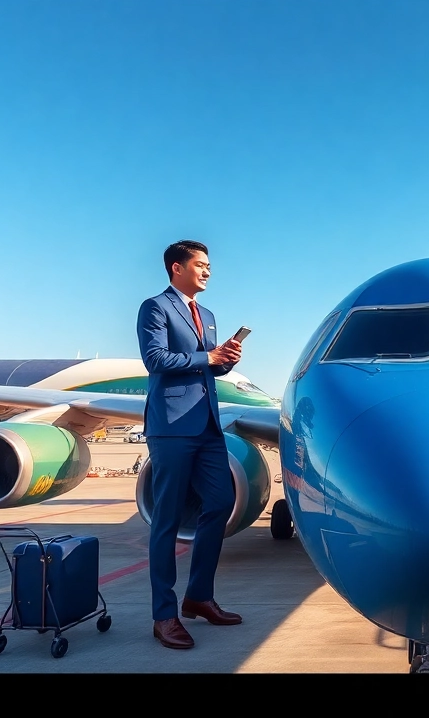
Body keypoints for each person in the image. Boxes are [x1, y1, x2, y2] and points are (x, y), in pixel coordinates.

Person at [137, 239, 245, 650]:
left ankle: (199, 596)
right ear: (176, 268)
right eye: (200, 265)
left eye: (209, 265)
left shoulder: (209, 315)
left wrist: (226, 359)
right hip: (172, 427)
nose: (207, 271)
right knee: (166, 519)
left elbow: (207, 367)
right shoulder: (156, 307)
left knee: (219, 504)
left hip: (207, 426)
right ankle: (164, 615)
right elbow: (157, 360)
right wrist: (208, 358)